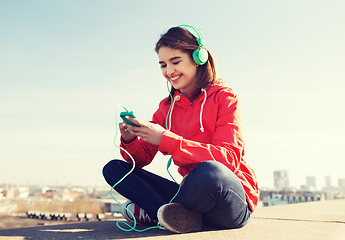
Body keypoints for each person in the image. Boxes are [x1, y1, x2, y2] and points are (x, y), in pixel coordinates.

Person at [103, 25, 259, 234]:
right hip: (191, 198)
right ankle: (171, 215)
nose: (169, 71)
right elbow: (139, 161)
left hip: (227, 200)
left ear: (198, 58)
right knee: (114, 169)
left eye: (176, 62)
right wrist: (130, 139)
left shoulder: (224, 97)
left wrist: (166, 139)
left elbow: (228, 159)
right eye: (163, 65)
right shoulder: (166, 108)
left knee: (209, 171)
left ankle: (156, 213)